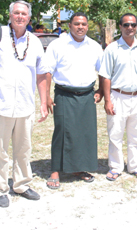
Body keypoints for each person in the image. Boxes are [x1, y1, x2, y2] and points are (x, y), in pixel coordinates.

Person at [0, 0, 48, 208]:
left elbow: (41, 73)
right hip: (0, 103)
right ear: (10, 15)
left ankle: (22, 184)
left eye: (23, 14)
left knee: (23, 149)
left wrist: (43, 101)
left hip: (25, 105)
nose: (20, 16)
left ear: (29, 17)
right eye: (16, 12)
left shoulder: (35, 41)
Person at [45, 12, 103, 189]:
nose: (80, 27)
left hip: (86, 95)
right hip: (64, 94)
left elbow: (103, 70)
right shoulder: (57, 45)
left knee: (85, 133)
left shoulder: (94, 46)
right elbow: (48, 71)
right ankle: (55, 170)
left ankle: (80, 168)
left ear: (87, 26)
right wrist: (46, 96)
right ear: (69, 25)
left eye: (84, 24)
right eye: (77, 24)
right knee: (61, 131)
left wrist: (100, 89)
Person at [99, 13, 137, 182]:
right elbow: (106, 76)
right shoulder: (112, 49)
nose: (130, 27)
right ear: (120, 27)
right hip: (118, 96)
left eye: (133, 25)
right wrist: (108, 100)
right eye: (126, 25)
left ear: (136, 27)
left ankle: (135, 167)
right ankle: (115, 167)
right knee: (115, 134)